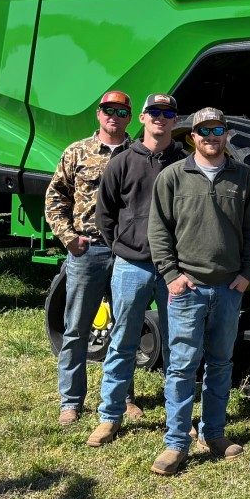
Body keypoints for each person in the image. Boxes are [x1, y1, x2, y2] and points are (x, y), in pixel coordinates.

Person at [147, 108, 250, 476]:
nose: (211, 135)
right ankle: (176, 443)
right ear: (192, 136)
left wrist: (246, 274)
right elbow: (158, 232)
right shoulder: (172, 177)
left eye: (217, 129)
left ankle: (213, 433)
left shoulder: (243, 178)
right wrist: (171, 276)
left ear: (226, 134)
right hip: (188, 288)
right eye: (203, 130)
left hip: (228, 288)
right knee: (181, 366)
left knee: (221, 364)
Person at [86, 93, 185, 447]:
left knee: (179, 347)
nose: (161, 117)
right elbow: (105, 214)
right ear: (142, 118)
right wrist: (122, 248)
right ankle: (109, 417)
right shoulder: (122, 162)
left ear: (175, 120)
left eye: (168, 113)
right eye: (154, 112)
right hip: (131, 266)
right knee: (122, 342)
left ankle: (180, 418)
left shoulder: (185, 164)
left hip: (174, 270)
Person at [44, 90, 133, 426]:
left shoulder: (138, 153)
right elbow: (55, 197)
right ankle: (71, 401)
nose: (114, 116)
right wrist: (69, 239)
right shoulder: (78, 152)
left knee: (124, 328)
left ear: (129, 116)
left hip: (126, 252)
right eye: (108, 110)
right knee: (77, 327)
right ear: (98, 114)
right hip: (88, 250)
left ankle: (123, 398)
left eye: (121, 112)